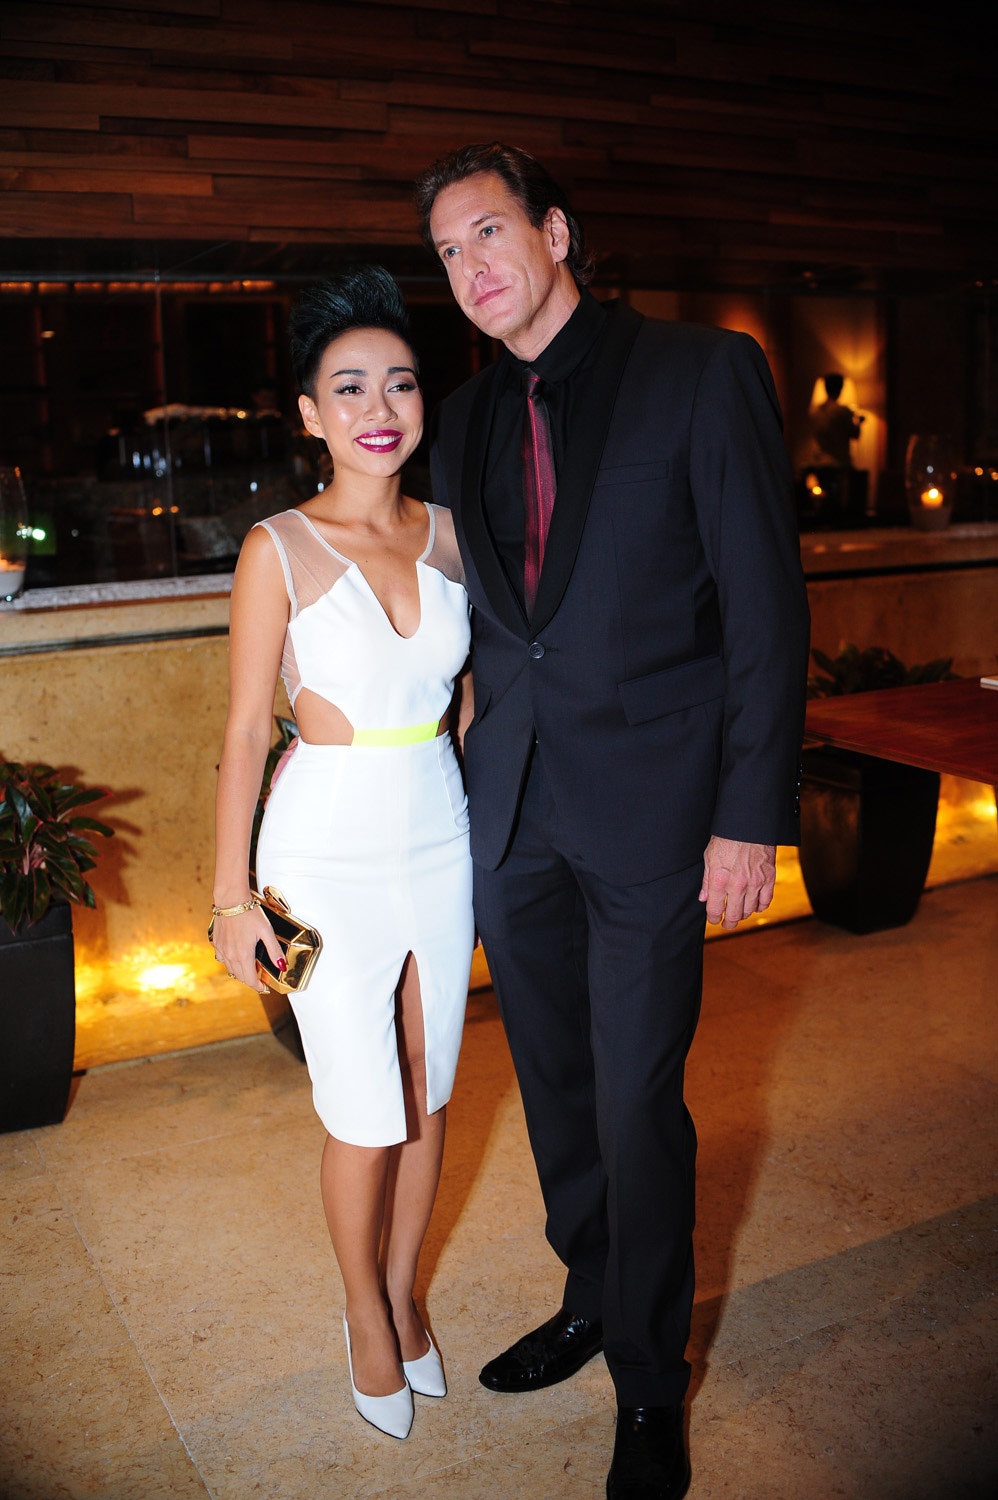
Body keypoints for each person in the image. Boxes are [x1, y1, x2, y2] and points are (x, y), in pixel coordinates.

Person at [414, 143, 811, 1498]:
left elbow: (763, 608)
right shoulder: (462, 420)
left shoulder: (700, 371)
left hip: (657, 811)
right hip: (514, 810)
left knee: (638, 1101)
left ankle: (648, 1379)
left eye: (487, 233)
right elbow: (486, 627)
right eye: (447, 254)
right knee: (557, 1087)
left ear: (554, 231)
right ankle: (588, 1293)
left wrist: (746, 815)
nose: (470, 268)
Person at [210, 266, 474, 1442]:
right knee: (365, 1109)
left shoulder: (452, 535)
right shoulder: (276, 547)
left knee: (429, 1088)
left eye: (399, 383)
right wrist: (231, 898)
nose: (379, 406)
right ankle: (362, 1311)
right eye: (350, 387)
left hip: (439, 835)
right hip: (323, 848)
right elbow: (238, 731)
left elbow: (466, 695)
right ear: (310, 415)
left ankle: (406, 1294)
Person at [810, 371, 863, 467]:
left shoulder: (814, 411)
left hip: (820, 462)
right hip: (840, 463)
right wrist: (859, 422)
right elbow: (855, 435)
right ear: (840, 389)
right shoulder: (843, 411)